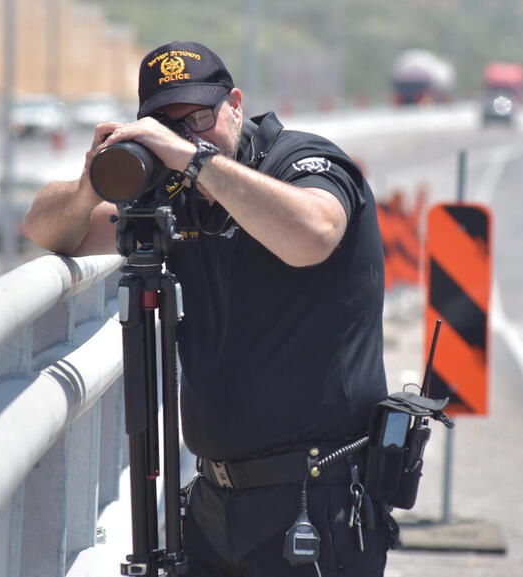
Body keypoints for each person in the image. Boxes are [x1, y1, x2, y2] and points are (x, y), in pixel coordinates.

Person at [22, 41, 394, 576]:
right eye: (170, 127)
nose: (191, 135)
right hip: (214, 504)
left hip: (317, 499)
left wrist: (193, 159)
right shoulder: (173, 195)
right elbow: (50, 231)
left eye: (202, 116)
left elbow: (312, 234)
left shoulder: (301, 162)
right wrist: (89, 184)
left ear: (236, 104)